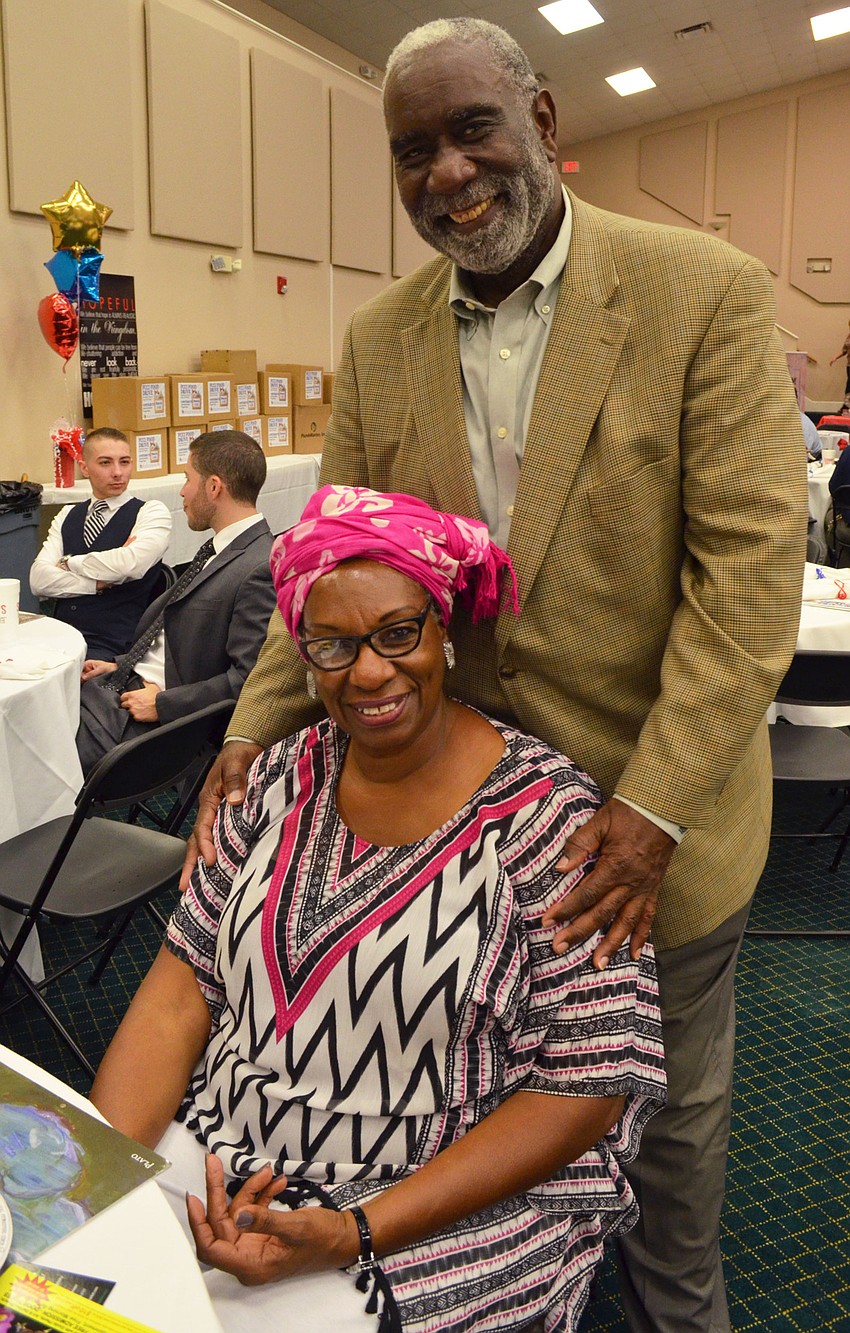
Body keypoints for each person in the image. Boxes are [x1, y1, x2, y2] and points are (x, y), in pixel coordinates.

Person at [185, 19, 807, 1332]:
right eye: (414, 152)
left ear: (542, 122)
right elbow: (333, 557)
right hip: (458, 838)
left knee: (665, 1159)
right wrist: (249, 734)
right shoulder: (380, 337)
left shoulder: (705, 292)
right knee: (486, 1130)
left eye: (473, 131)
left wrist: (650, 813)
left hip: (653, 839)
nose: (449, 174)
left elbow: (745, 590)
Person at [91, 486, 666, 1333]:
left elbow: (584, 1087)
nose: (368, 672)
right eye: (332, 645)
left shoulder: (552, 826)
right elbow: (180, 993)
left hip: (432, 1192)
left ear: (444, 631)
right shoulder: (274, 781)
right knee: (75, 1295)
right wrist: (97, 1185)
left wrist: (353, 1233)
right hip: (225, 1148)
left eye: (398, 634)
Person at [76, 430, 275, 774]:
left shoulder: (259, 565)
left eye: (187, 478)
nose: (182, 490)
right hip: (123, 687)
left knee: (32, 747)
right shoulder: (223, 549)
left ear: (214, 487)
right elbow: (177, 635)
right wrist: (122, 665)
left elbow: (250, 679)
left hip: (155, 725)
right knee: (31, 717)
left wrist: (164, 704)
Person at [30, 427, 171, 660]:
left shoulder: (151, 512)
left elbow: (130, 566)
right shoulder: (67, 514)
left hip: (114, 645)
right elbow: (39, 580)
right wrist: (96, 584)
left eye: (124, 462)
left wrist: (68, 562)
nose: (118, 472)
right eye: (105, 463)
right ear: (85, 468)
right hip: (60, 636)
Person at [828, 320, 850, 414]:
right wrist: (835, 358)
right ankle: (846, 406)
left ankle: (846, 406)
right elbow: (844, 350)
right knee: (849, 385)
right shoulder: (849, 336)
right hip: (849, 365)